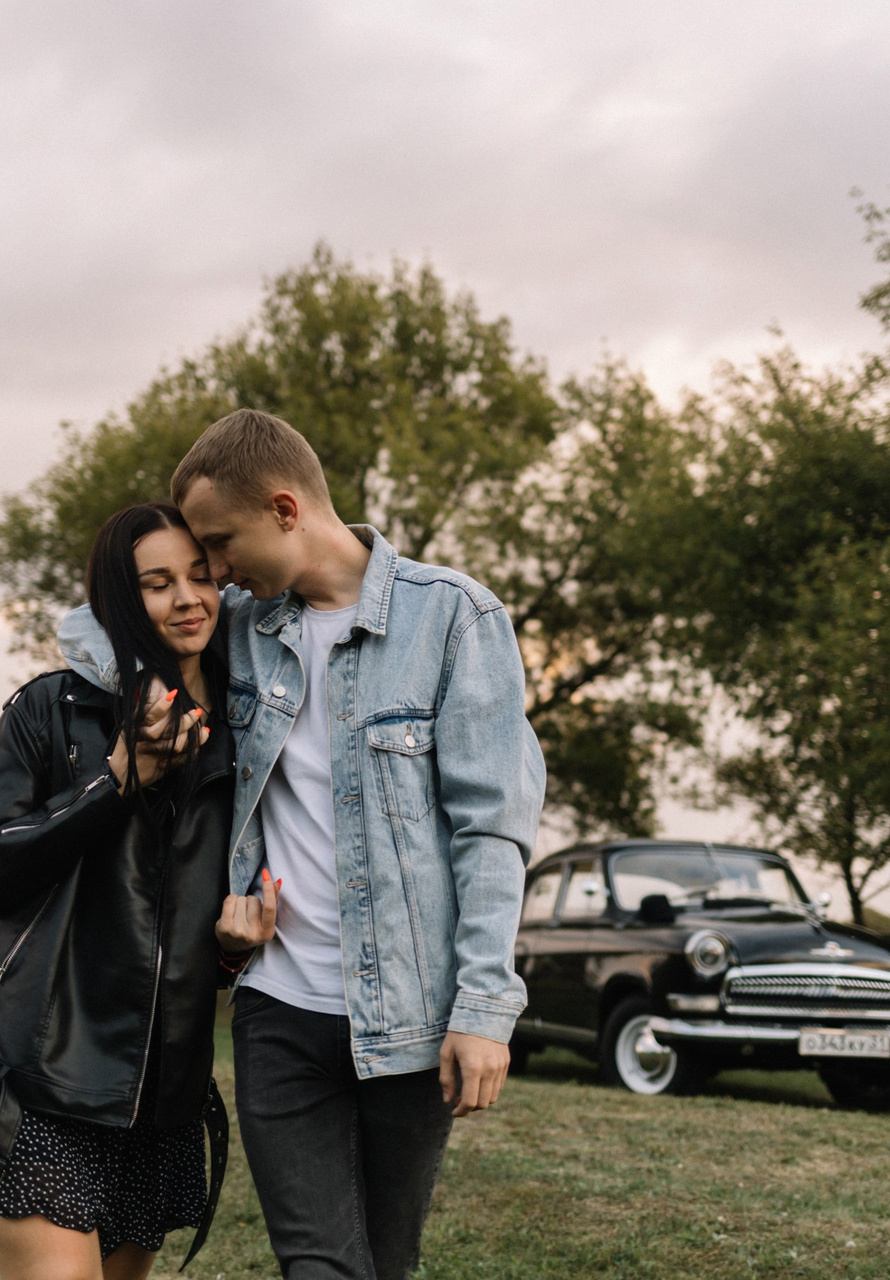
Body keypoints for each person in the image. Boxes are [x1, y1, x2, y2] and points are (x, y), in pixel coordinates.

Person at [174, 409, 546, 1280]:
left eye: (221, 544)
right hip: (279, 1008)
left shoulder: (452, 618)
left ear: (285, 508)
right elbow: (99, 632)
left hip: (412, 1017)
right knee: (319, 1265)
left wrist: (484, 1010)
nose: (214, 571)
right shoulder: (235, 625)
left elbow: (491, 830)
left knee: (386, 1261)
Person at [0, 503, 238, 1280]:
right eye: (158, 584)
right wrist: (113, 782)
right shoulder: (50, 708)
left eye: (201, 576)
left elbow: (180, 924)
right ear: (117, 601)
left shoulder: (245, 732)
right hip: (35, 1076)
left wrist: (235, 950)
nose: (187, 599)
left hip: (159, 1096)